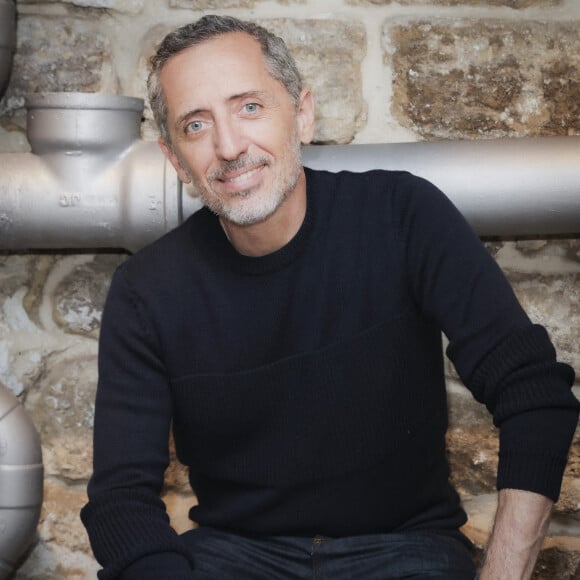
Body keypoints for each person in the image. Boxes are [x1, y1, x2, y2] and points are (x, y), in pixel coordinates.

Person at [81, 15, 579, 580]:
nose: (228, 146)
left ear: (303, 114)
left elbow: (534, 397)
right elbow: (121, 497)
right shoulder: (147, 291)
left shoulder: (403, 216)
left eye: (249, 107)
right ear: (177, 162)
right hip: (235, 553)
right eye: (196, 125)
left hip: (404, 550)